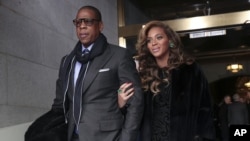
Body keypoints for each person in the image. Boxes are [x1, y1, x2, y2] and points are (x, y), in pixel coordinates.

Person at [25, 5, 144, 141]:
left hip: (108, 137)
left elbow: (136, 102)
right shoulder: (67, 61)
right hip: (73, 136)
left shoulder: (118, 55)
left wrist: (127, 138)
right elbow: (59, 104)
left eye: (88, 21)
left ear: (100, 26)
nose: (82, 26)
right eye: (78, 22)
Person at [131, 20, 215, 141]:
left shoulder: (190, 70)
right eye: (149, 40)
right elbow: (134, 111)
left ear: (170, 40)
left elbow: (205, 109)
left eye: (159, 37)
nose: (153, 43)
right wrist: (120, 98)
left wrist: (202, 137)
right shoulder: (144, 74)